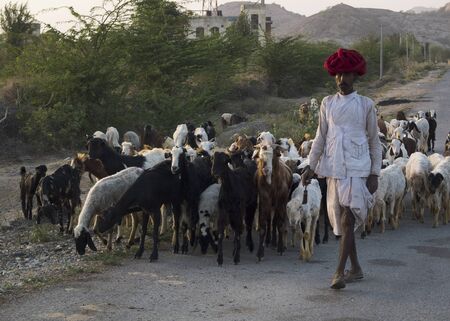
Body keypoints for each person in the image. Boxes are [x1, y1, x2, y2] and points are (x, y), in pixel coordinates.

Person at [302, 48, 382, 290]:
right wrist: (310, 166)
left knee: (349, 218)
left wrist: (375, 172)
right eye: (338, 75)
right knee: (344, 221)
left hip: (359, 168)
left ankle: (338, 273)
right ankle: (355, 268)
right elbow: (320, 138)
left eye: (346, 74)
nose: (341, 80)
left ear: (355, 76)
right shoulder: (327, 104)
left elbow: (374, 141)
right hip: (335, 168)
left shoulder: (366, 105)